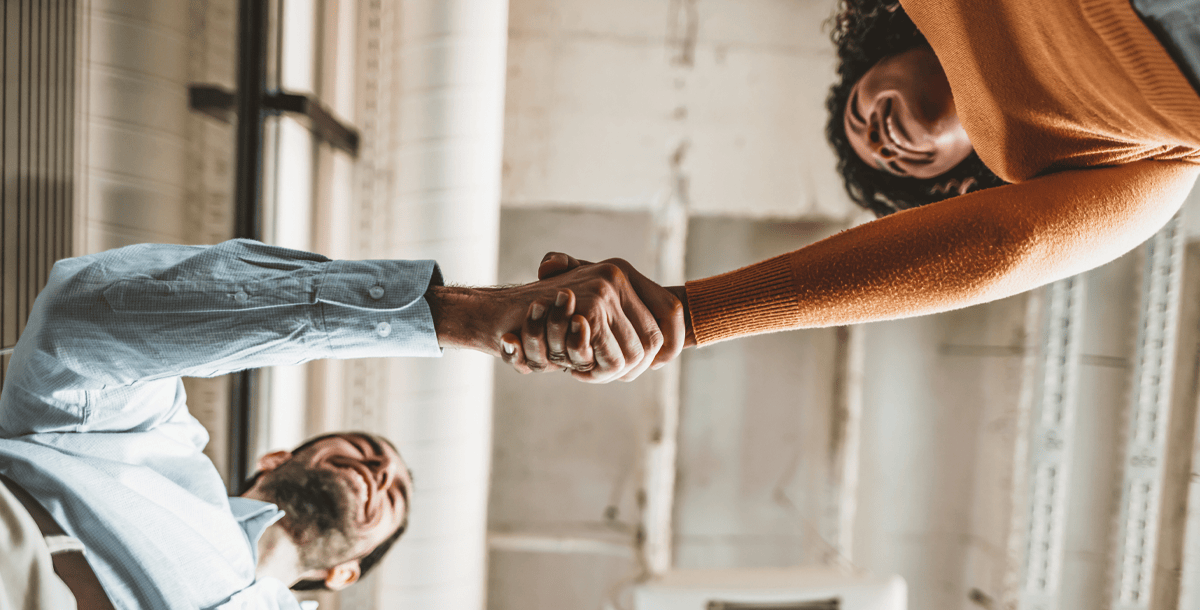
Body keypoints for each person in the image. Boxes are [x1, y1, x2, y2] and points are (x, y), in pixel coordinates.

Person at [501, 0, 1200, 378]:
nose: (876, 136)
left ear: (881, 48)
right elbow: (1002, 246)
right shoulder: (1107, 170)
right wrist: (691, 314)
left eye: (856, 111)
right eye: (895, 167)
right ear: (958, 180)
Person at [0, 238, 667, 610]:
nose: (380, 471)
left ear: (348, 574)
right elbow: (83, 318)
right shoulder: (144, 445)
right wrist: (459, 315)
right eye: (370, 451)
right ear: (276, 457)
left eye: (394, 493)